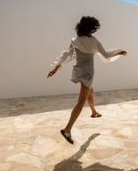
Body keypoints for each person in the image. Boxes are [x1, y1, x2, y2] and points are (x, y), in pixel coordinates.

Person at [47, 16, 127, 144]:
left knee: (90, 90)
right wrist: (118, 52)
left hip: (77, 71)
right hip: (87, 73)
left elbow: (65, 55)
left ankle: (94, 112)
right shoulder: (94, 41)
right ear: (91, 29)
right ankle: (67, 129)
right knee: (81, 101)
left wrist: (56, 69)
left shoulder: (75, 40)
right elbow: (105, 55)